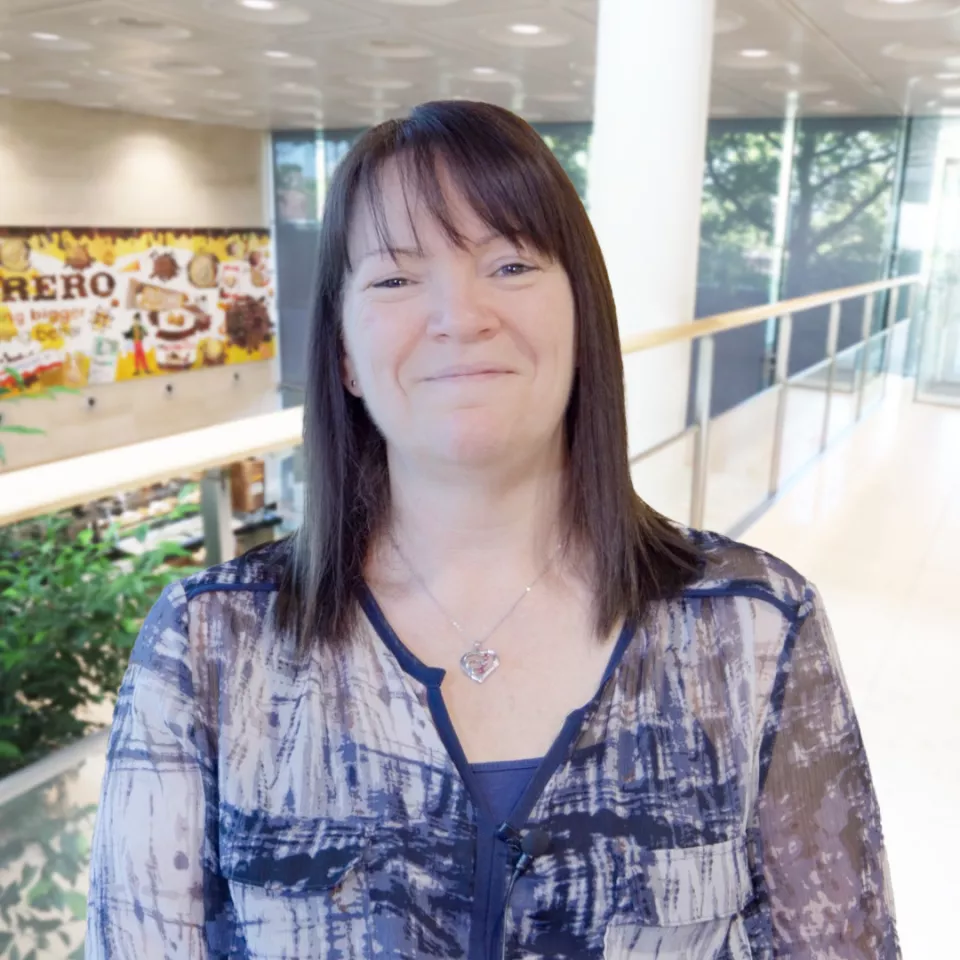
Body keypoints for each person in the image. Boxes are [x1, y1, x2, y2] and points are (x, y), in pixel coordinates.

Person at [86, 101, 899, 959]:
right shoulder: (212, 645)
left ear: (584, 321)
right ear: (344, 359)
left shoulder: (753, 626)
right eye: (396, 278)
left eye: (509, 264)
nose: (459, 315)